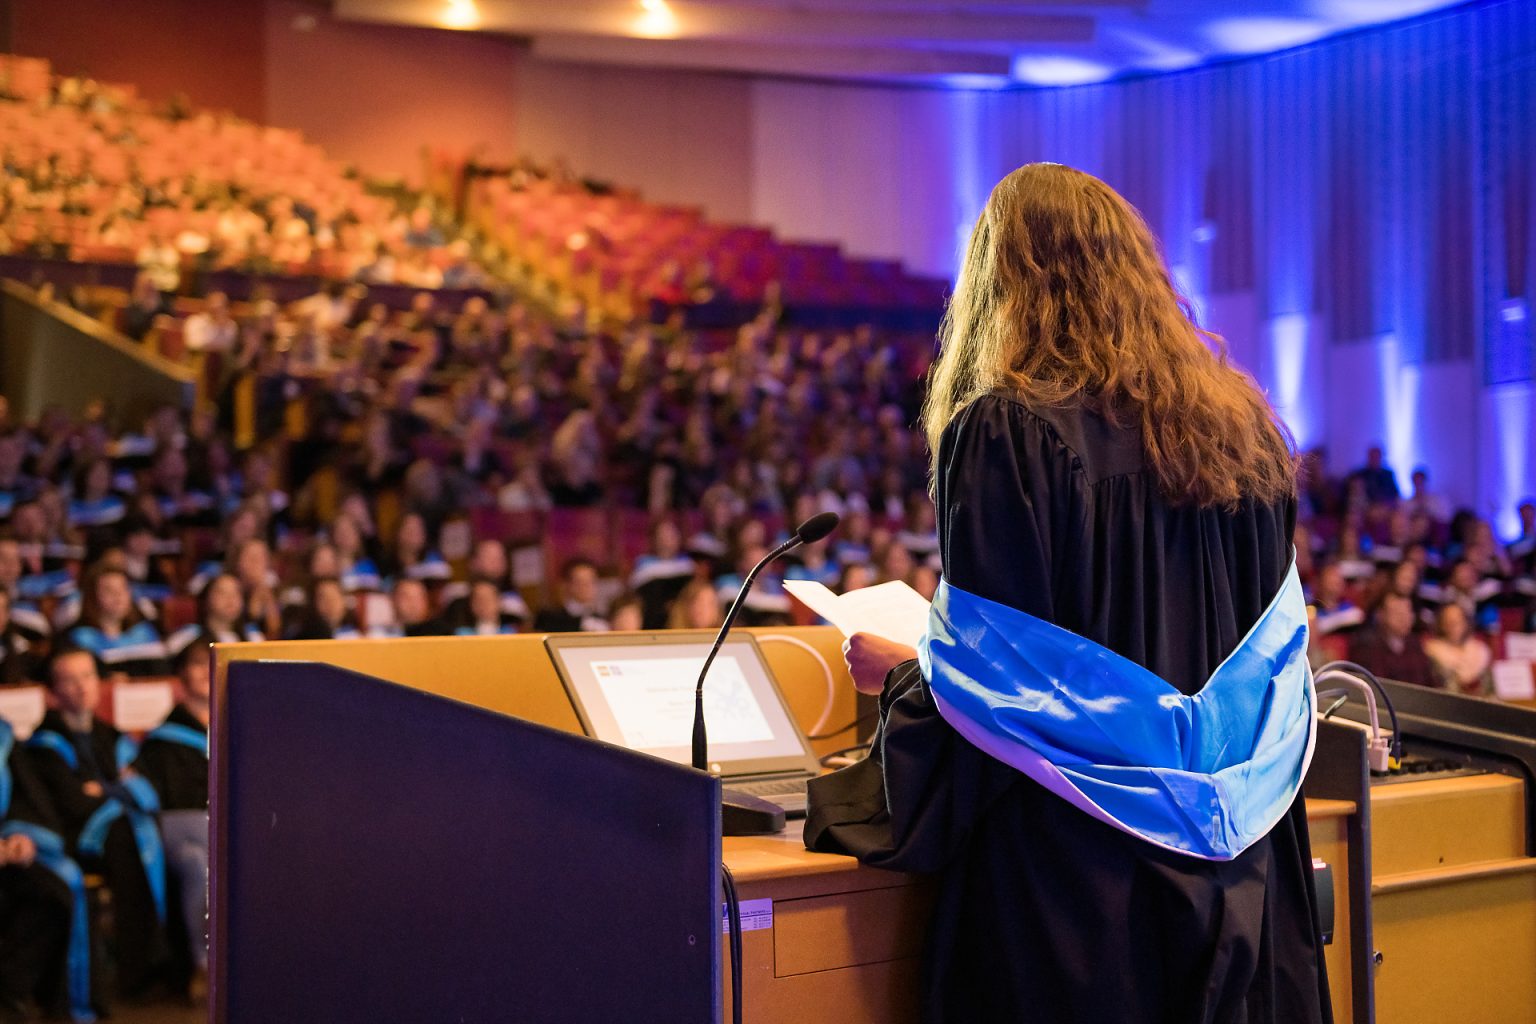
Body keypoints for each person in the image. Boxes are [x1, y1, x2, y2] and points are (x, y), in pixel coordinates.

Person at [805, 164, 1329, 1023]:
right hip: (1245, 867)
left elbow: (1004, 696)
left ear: (1000, 281)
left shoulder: (1011, 430)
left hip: (1078, 880)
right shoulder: (1248, 434)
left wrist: (907, 676)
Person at [28, 648, 169, 999]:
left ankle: (159, 966)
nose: (81, 687)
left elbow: (147, 788)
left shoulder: (109, 735)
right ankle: (137, 974)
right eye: (70, 679)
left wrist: (103, 789)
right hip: (72, 839)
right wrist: (120, 787)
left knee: (152, 835)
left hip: (116, 834)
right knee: (130, 837)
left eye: (88, 676)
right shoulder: (44, 742)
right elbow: (74, 804)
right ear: (53, 691)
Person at [132, 640, 212, 993]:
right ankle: (203, 964)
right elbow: (166, 799)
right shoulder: (166, 736)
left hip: (208, 839)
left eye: (211, 662)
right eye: (196, 663)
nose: (205, 670)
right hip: (179, 830)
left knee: (202, 861)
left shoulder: (238, 725)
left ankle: (217, 962)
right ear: (182, 673)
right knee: (201, 856)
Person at [1348, 592, 1436, 688]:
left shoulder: (1415, 644)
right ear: (1381, 615)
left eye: (1407, 612)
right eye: (1397, 613)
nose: (1404, 618)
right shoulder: (1366, 647)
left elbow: (1430, 684)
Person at [1422, 603, 1492, 696]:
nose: (1453, 625)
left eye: (1457, 621)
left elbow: (1488, 687)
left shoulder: (1480, 650)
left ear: (1465, 623)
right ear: (1441, 624)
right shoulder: (1432, 650)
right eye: (1449, 621)